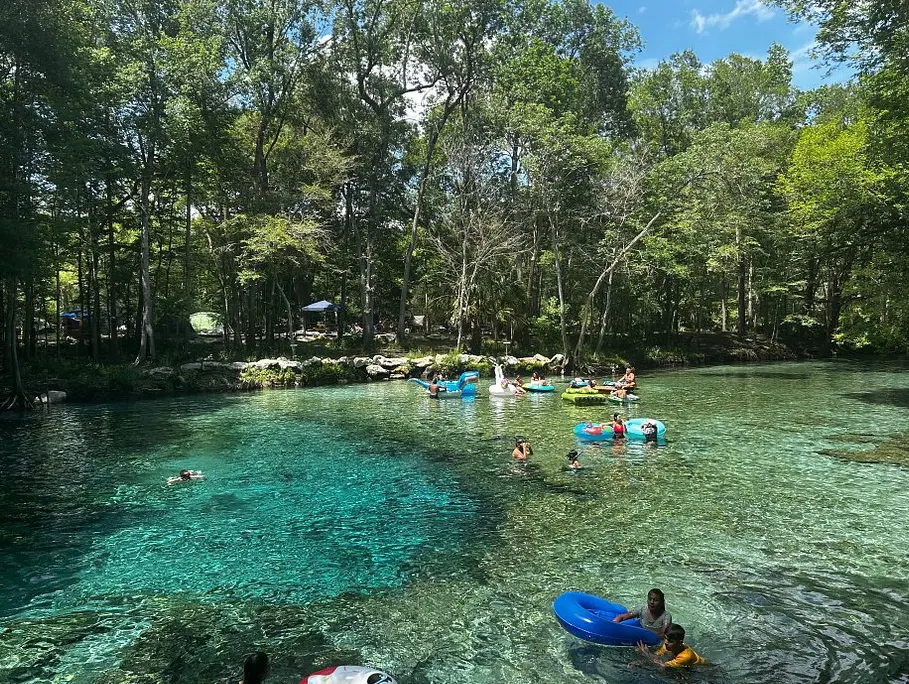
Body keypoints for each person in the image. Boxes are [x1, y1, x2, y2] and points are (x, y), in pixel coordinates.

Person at [636, 624, 706, 668]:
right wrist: (640, 661)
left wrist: (646, 654)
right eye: (666, 638)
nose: (666, 642)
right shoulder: (667, 645)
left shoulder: (685, 656)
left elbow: (663, 665)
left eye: (670, 641)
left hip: (702, 668)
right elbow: (656, 657)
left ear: (680, 643)